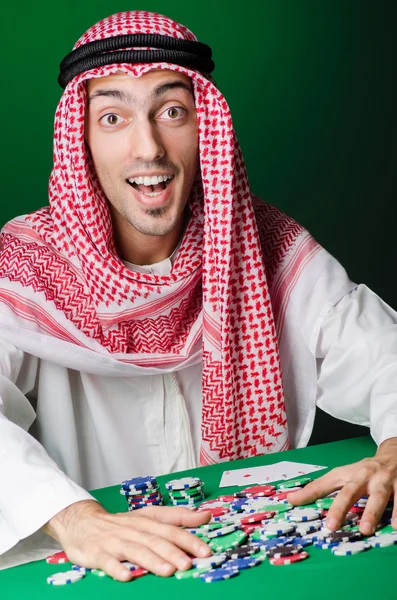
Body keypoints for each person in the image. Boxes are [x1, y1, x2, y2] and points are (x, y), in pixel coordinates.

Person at [0, 9, 397, 580]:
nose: (149, 148)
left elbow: (382, 353)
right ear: (80, 141)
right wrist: (75, 519)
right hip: (101, 572)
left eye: (172, 112)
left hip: (250, 567)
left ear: (205, 126)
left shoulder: (266, 245)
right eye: (112, 117)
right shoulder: (27, 263)